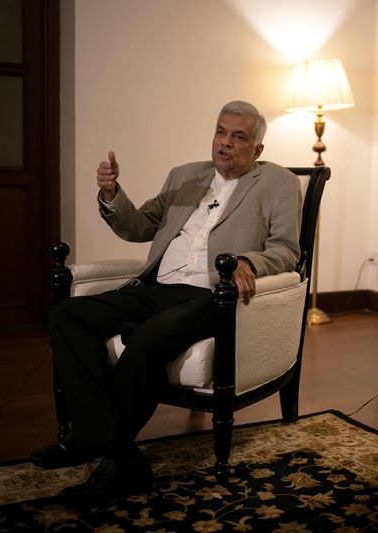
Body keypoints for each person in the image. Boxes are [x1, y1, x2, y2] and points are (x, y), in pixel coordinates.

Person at [31, 101, 302, 503]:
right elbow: (138, 225)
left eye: (239, 136)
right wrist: (110, 195)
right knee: (67, 316)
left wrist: (247, 261)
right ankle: (118, 452)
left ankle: (92, 446)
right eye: (220, 132)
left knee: (147, 339)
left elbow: (285, 251)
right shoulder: (186, 176)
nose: (225, 143)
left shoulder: (277, 183)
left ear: (257, 150)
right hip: (155, 287)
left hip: (212, 294)